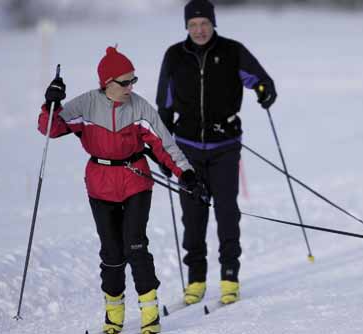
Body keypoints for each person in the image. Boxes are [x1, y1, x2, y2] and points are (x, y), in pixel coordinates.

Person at [38, 46, 205, 334]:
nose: (131, 87)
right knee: (112, 254)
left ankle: (149, 314)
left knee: (136, 247)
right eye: (125, 82)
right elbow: (51, 129)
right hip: (100, 185)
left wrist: (186, 174)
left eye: (133, 81)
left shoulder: (139, 107)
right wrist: (50, 103)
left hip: (135, 181)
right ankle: (114, 315)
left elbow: (165, 145)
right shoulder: (85, 105)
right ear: (107, 83)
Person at [155, 0, 277, 306]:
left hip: (224, 146)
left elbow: (262, 81)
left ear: (213, 24)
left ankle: (229, 276)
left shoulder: (232, 51)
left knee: (226, 212)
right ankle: (196, 279)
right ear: (187, 27)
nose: (199, 30)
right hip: (187, 149)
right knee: (193, 216)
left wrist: (264, 91)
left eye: (204, 24)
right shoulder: (174, 56)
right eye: (193, 25)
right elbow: (164, 107)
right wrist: (164, 153)